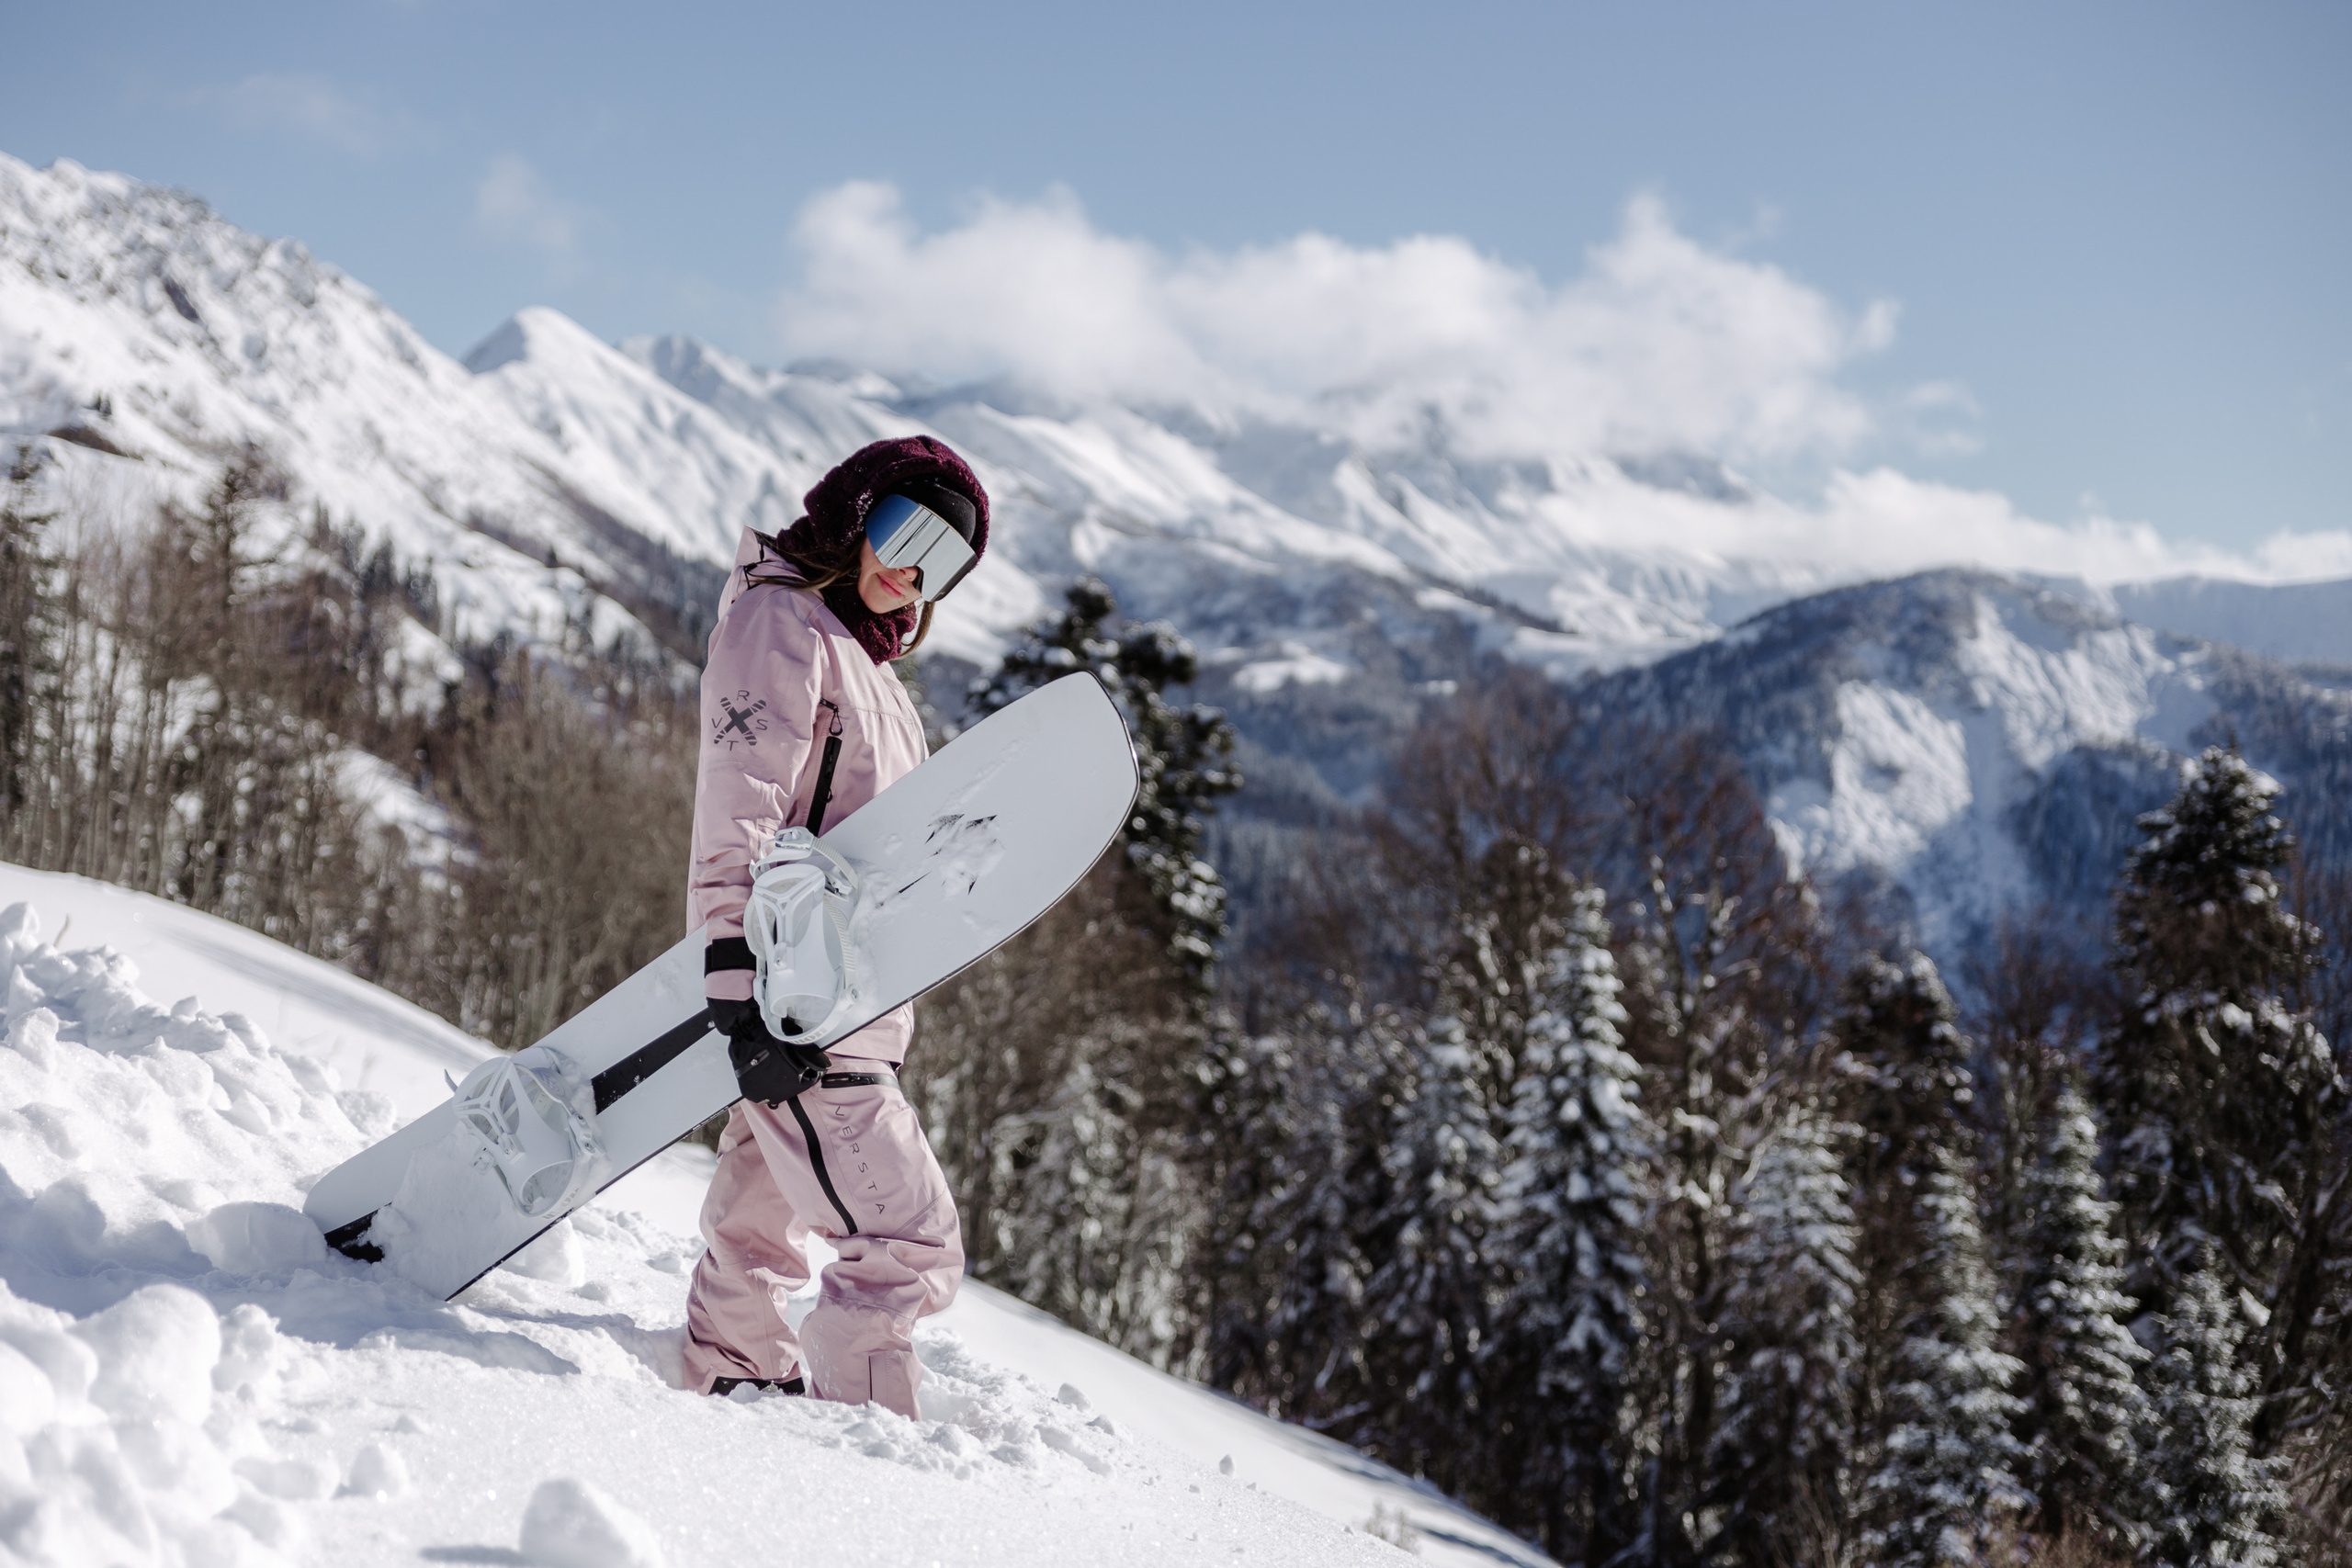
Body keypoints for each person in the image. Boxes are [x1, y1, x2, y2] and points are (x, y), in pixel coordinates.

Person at [680, 434, 988, 1418]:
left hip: (849, 1004)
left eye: (944, 560)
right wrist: (735, 985)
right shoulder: (784, 623)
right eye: (905, 531)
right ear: (854, 515)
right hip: (801, 1005)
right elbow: (742, 803)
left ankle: (733, 1377)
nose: (913, 569)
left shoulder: (863, 659)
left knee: (758, 1222)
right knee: (908, 1244)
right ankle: (869, 1453)